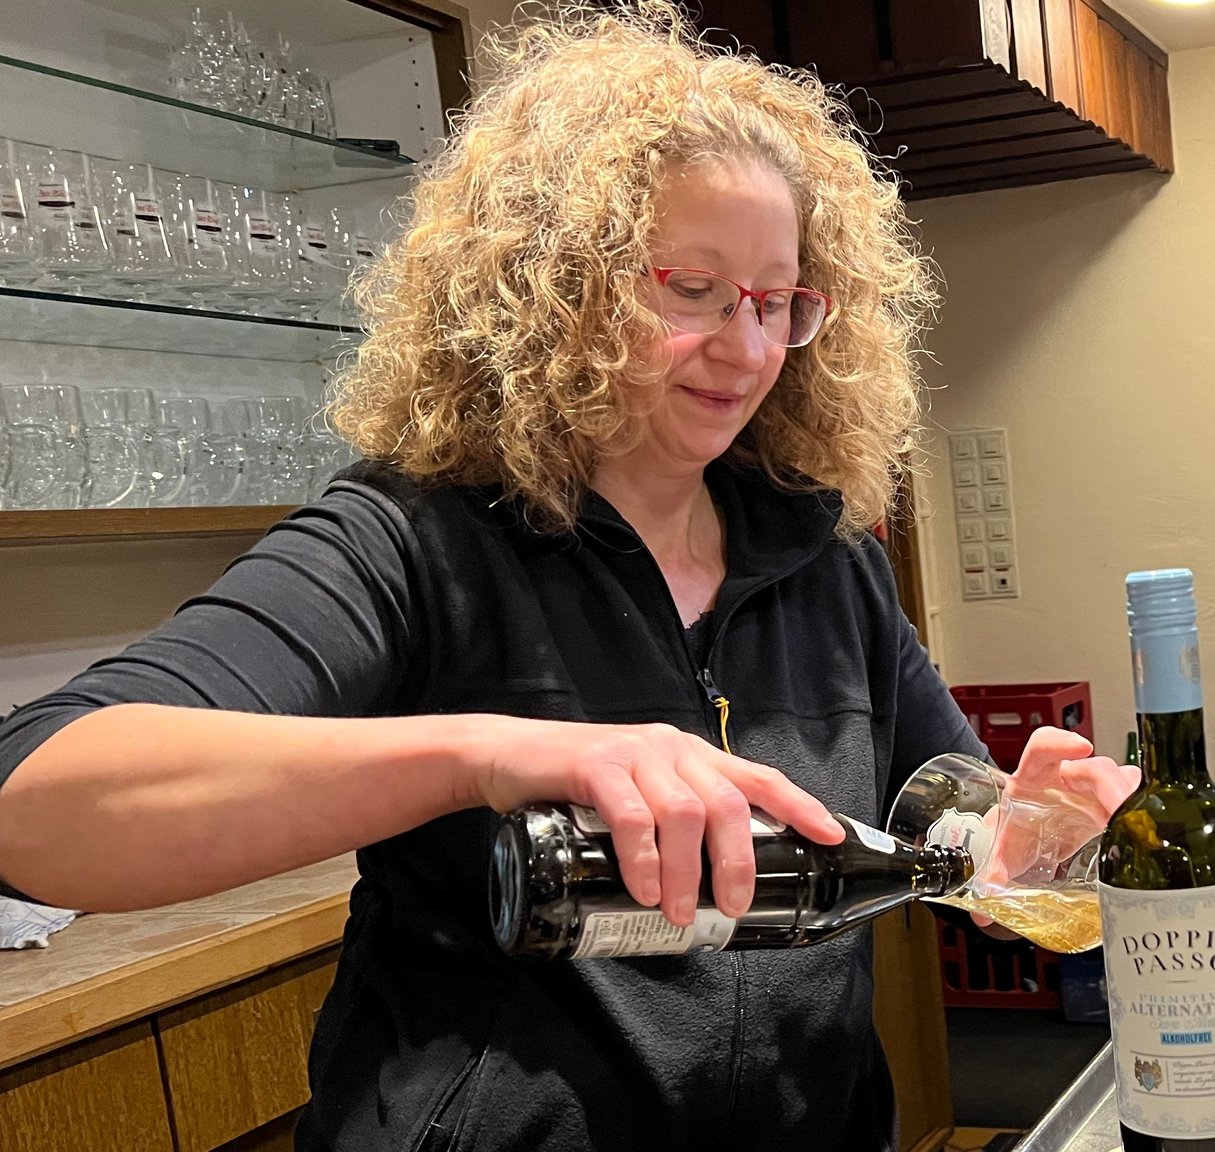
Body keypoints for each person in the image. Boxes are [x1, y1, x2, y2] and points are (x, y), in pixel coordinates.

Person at [0, 6, 1134, 1149]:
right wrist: (492, 755)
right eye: (689, 288)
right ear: (557, 288)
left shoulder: (824, 560)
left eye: (775, 300)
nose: (744, 349)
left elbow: (963, 852)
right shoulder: (414, 540)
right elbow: (38, 805)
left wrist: (1030, 838)